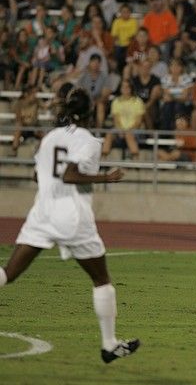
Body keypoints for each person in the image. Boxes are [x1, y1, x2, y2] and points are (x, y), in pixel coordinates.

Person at [0, 87, 140, 363]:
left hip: (42, 212)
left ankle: (111, 345)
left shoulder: (51, 137)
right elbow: (70, 175)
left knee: (8, 273)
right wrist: (106, 178)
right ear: (90, 113)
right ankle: (109, 344)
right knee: (101, 280)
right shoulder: (89, 141)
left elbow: (36, 175)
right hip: (72, 216)